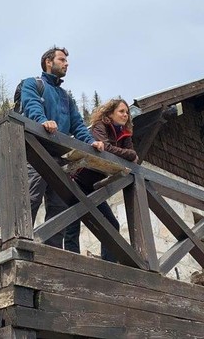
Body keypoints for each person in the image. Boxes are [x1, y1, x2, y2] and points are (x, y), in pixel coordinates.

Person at [20, 46, 104, 249]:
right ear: (49, 62)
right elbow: (31, 106)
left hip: (60, 157)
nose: (66, 64)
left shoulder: (66, 97)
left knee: (58, 207)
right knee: (31, 199)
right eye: (62, 59)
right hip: (36, 152)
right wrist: (43, 121)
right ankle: (20, 242)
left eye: (67, 61)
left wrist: (90, 141)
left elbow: (78, 125)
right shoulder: (33, 84)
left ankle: (53, 252)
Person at [64, 98, 138, 262]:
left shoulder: (125, 134)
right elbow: (106, 148)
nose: (125, 115)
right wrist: (128, 154)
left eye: (126, 112)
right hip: (78, 179)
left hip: (94, 186)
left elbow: (131, 156)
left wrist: (128, 154)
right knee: (72, 221)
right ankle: (71, 260)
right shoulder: (100, 126)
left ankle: (109, 265)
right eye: (121, 111)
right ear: (110, 113)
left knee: (111, 224)